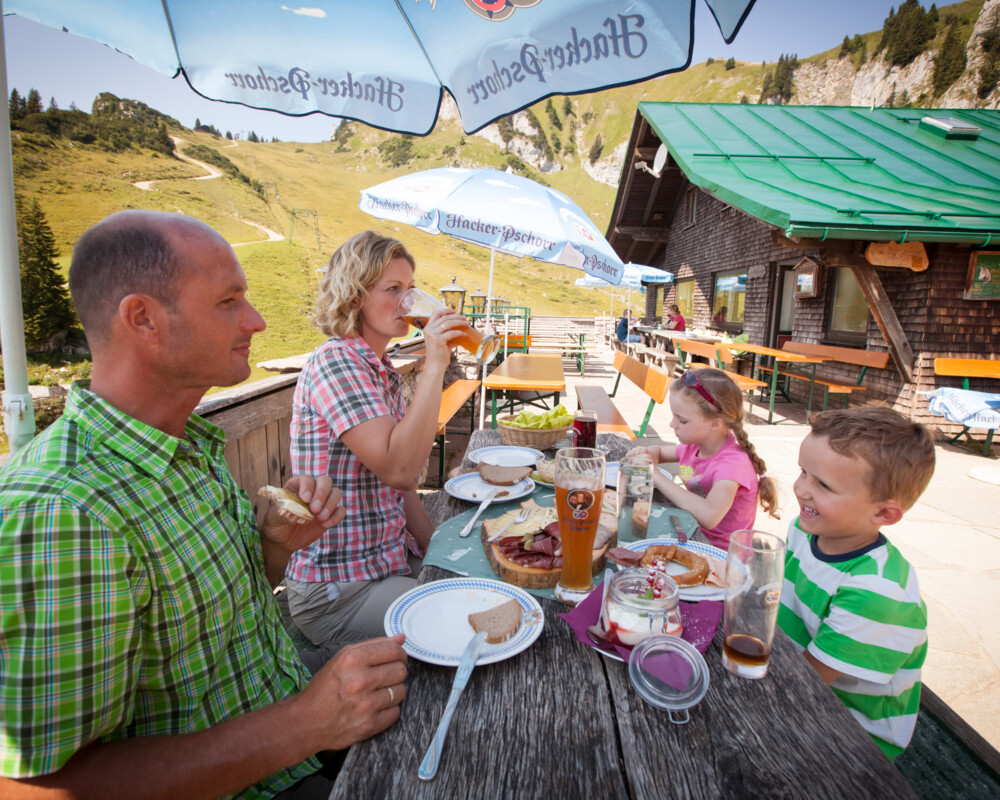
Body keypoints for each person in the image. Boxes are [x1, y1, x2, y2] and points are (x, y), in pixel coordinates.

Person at [0, 211, 409, 800]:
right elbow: (40, 788)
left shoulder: (187, 446)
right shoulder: (63, 512)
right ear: (143, 319)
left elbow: (229, 612)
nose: (258, 319)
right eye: (228, 301)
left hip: (301, 735)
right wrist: (306, 723)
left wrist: (273, 546)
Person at [285, 231, 465, 652]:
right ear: (354, 298)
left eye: (411, 289)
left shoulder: (378, 367)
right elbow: (399, 467)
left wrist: (434, 549)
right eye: (393, 290)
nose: (408, 301)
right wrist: (435, 364)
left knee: (473, 577)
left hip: (383, 563)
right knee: (463, 621)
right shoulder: (336, 361)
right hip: (337, 590)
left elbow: (401, 487)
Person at [778, 406, 934, 761]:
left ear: (883, 514)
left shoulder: (877, 593)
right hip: (794, 671)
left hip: (851, 734)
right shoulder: (805, 529)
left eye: (823, 485)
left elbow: (805, 685)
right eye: (804, 472)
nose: (801, 489)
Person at [628, 368, 778, 550]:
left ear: (715, 423)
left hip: (720, 553)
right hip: (690, 531)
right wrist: (646, 453)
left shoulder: (732, 465)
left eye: (682, 420)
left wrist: (656, 476)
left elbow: (710, 516)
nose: (672, 424)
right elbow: (659, 453)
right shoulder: (694, 446)